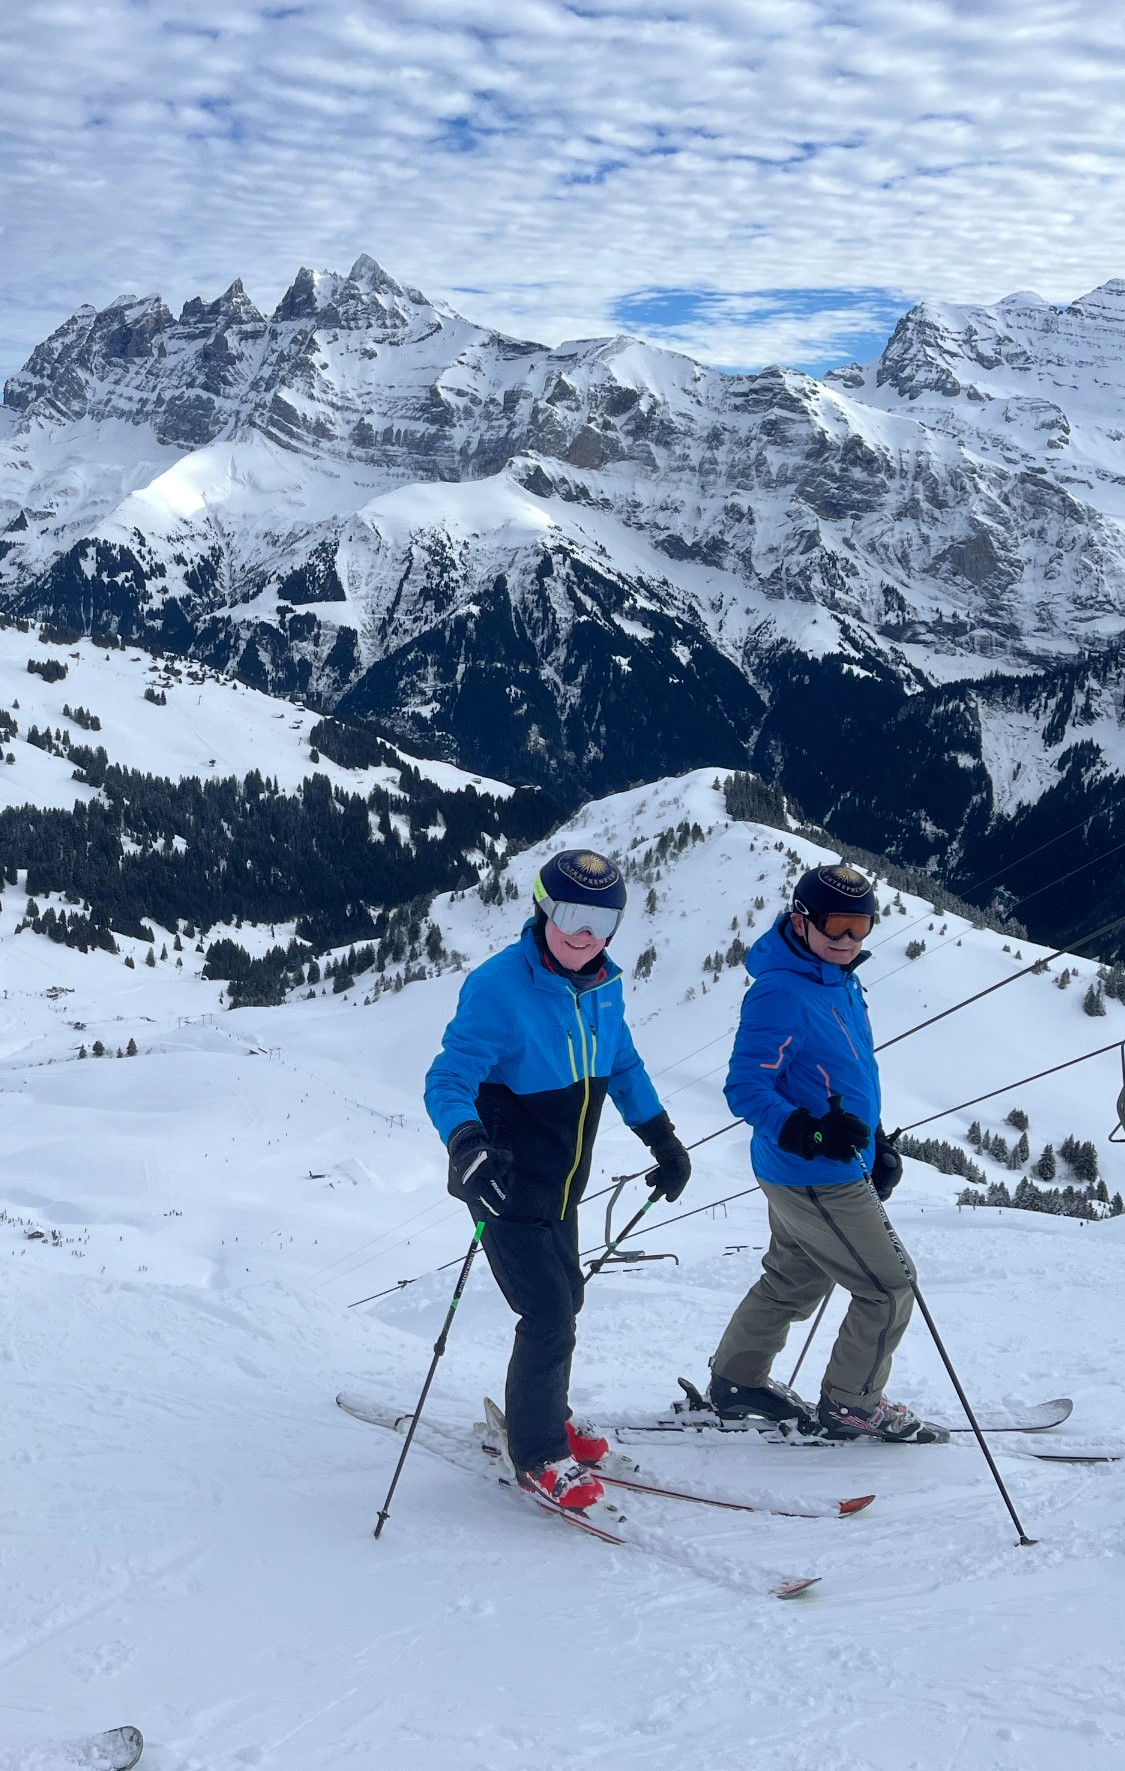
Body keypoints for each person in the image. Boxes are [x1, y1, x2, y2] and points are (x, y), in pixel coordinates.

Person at [424, 849, 692, 1507]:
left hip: (563, 1187)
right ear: (542, 907)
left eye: (602, 921)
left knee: (565, 1300)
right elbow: (448, 1079)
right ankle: (539, 1450)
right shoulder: (498, 986)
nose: (584, 934)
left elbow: (622, 1063)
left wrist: (661, 1136)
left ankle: (545, 1413)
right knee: (546, 1311)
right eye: (570, 914)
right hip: (504, 1183)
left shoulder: (603, 985)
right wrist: (467, 1147)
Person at [706, 862, 927, 1441]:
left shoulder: (839, 977)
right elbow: (745, 1087)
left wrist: (873, 1138)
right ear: (801, 920)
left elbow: (842, 1074)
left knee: (794, 1278)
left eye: (860, 926)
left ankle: (737, 1380)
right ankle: (854, 1403)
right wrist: (809, 1133)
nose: (848, 939)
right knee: (888, 1287)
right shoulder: (781, 992)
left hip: (812, 1165)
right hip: (813, 1172)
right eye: (835, 923)